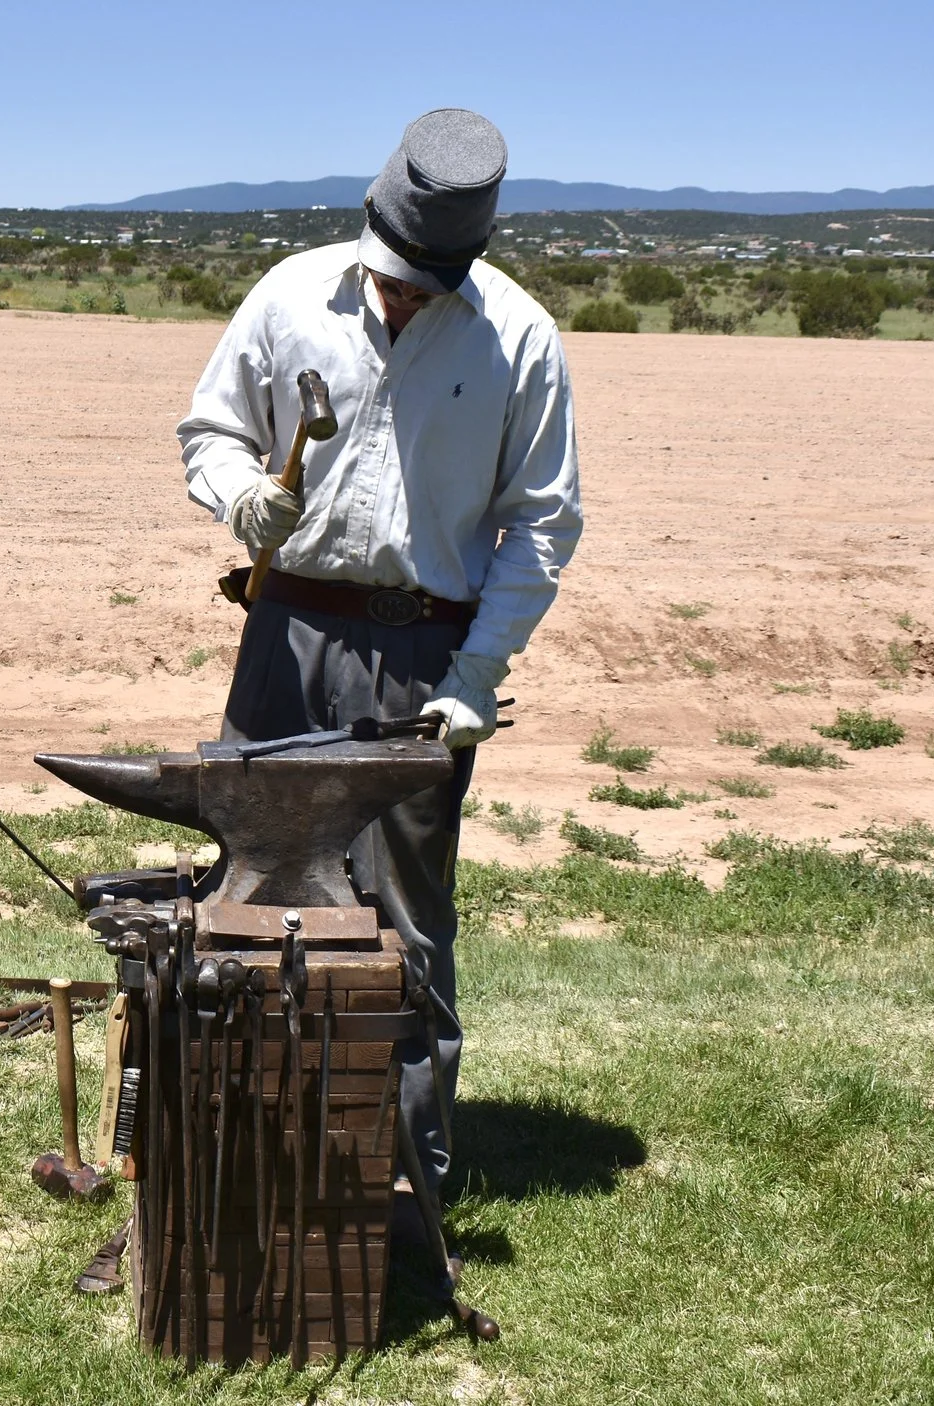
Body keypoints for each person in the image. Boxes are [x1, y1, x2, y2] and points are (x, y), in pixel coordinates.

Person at [177, 108, 583, 1201]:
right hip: (285, 634)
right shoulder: (288, 295)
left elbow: (541, 524)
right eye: (390, 274)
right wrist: (239, 494)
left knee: (405, 918)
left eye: (422, 284)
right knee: (255, 890)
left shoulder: (520, 339)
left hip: (422, 662)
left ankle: (404, 1181)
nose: (399, 296)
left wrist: (472, 681)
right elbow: (207, 432)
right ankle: (241, 1155)